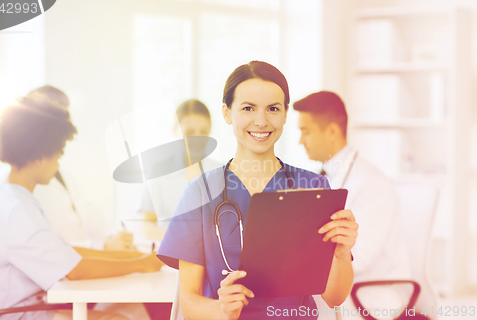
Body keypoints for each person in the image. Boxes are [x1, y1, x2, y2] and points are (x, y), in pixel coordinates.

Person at [156, 61, 359, 320]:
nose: (261, 121)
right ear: (227, 113)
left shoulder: (313, 187)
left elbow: (334, 297)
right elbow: (188, 301)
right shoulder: (200, 193)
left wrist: (341, 253)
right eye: (248, 108)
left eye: (273, 109)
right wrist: (222, 308)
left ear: (285, 114)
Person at [0, 98, 163, 320]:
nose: (58, 163)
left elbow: (66, 253)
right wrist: (142, 264)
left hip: (25, 306)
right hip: (11, 313)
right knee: (119, 318)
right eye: (58, 153)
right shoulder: (17, 209)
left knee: (130, 308)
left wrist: (131, 257)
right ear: (39, 155)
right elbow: (74, 270)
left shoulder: (9, 197)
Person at [293, 91, 411, 318]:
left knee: (304, 300)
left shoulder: (370, 183)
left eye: (305, 131)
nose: (300, 141)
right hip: (344, 284)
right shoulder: (321, 177)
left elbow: (360, 258)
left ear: (332, 132)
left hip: (372, 292)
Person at [0, 85, 136, 251]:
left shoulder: (62, 175)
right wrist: (103, 247)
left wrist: (114, 237)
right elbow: (47, 250)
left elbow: (86, 216)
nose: (66, 119)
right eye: (56, 113)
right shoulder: (14, 185)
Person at [138, 99, 221, 236]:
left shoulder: (223, 172)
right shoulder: (157, 171)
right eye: (189, 132)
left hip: (211, 254)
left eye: (204, 131)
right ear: (175, 130)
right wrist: (180, 240)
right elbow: (147, 226)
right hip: (169, 251)